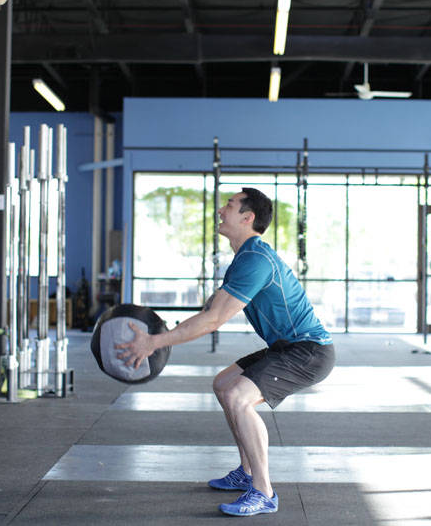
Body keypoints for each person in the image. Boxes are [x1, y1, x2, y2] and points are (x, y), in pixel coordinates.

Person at [117, 187, 335, 517]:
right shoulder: (245, 257)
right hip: (285, 348)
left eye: (229, 206)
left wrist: (153, 343)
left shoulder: (256, 259)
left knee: (238, 396)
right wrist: (157, 326)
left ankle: (263, 492)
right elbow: (210, 308)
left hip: (308, 351)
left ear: (247, 218)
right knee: (223, 384)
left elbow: (214, 319)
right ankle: (246, 472)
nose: (221, 210)